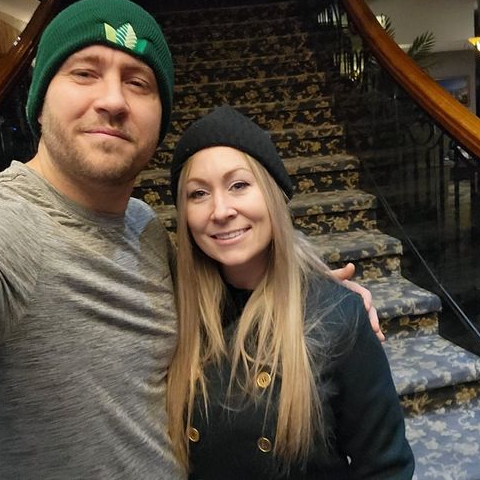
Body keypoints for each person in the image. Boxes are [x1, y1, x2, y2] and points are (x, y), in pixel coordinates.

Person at [0, 0, 381, 479]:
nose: (113, 101)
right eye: (85, 73)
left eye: (138, 82)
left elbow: (221, 279)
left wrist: (313, 295)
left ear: (159, 120)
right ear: (39, 101)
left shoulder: (145, 227)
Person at [167, 105, 414, 479]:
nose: (220, 210)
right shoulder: (172, 308)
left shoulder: (339, 317)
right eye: (198, 193)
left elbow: (386, 468)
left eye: (239, 185)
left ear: (273, 195)